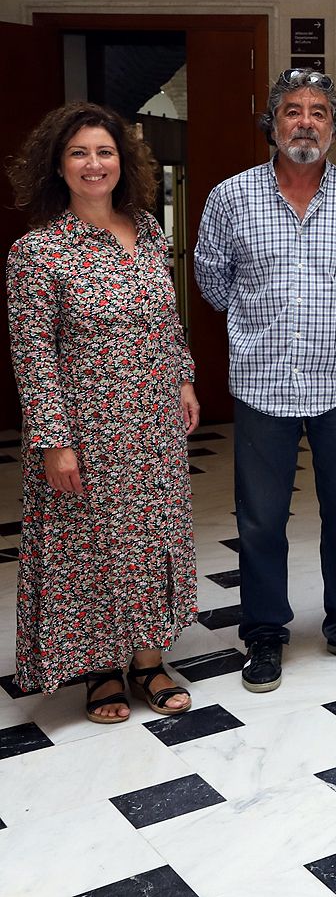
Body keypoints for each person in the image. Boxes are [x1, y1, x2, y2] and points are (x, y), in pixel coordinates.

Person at [194, 68, 336, 692]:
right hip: (263, 383)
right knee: (261, 518)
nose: (305, 121)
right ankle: (263, 633)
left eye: (318, 112)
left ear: (334, 127)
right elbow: (212, 281)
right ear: (273, 123)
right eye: (292, 111)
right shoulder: (230, 198)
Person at [5, 103, 199, 722]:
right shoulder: (37, 252)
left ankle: (146, 661)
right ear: (58, 167)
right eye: (80, 154)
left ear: (124, 162)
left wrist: (186, 383)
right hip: (84, 426)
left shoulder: (148, 229)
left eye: (105, 152)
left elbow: (168, 320)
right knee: (87, 547)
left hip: (153, 423)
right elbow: (32, 353)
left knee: (149, 542)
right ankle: (96, 671)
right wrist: (54, 441)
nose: (95, 164)